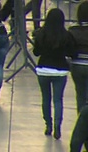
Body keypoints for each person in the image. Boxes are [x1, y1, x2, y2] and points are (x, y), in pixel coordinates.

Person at [32, 9, 76, 140]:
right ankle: (58, 125)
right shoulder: (66, 35)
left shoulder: (41, 34)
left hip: (43, 69)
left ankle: (48, 124)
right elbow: (72, 52)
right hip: (60, 70)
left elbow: (36, 52)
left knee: (46, 99)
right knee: (58, 99)